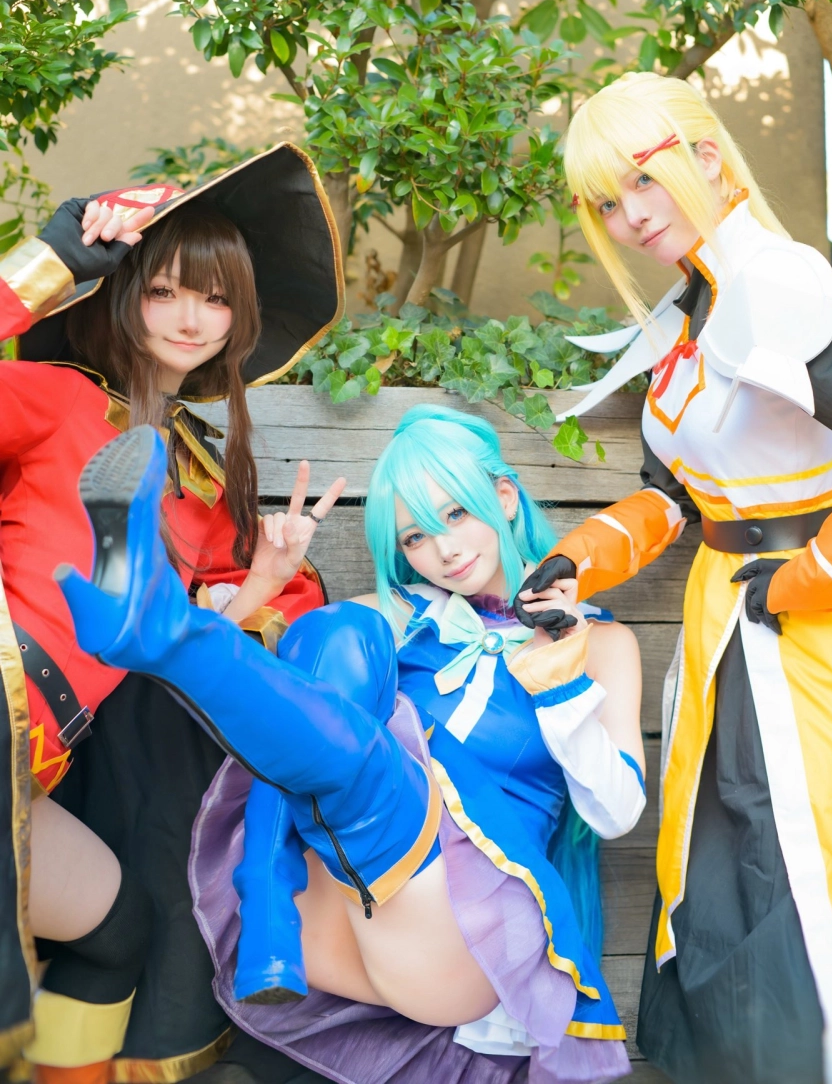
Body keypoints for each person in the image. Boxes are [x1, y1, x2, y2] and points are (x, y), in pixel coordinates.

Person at [57, 405, 648, 1084]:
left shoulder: (600, 643)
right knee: (336, 631)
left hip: (462, 932)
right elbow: (276, 709)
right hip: (330, 914)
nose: (444, 550)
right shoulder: (398, 619)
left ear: (505, 498)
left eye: (456, 514)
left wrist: (558, 684)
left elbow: (615, 813)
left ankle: (159, 631)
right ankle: (267, 902)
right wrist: (268, 581)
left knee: (376, 760)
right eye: (416, 537)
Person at [512, 71, 832, 1084]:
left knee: (805, 860)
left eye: (641, 181)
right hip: (726, 630)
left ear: (706, 157)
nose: (630, 217)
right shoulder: (692, 306)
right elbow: (673, 495)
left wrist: (808, 578)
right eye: (607, 202)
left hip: (815, 634)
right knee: (717, 858)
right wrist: (580, 555)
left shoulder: (780, 286)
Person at [0, 143, 345, 1084]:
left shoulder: (198, 473)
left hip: (40, 764)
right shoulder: (58, 400)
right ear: (123, 297)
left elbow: (192, 634)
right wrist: (48, 262)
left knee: (117, 932)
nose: (192, 318)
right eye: (163, 291)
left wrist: (266, 578)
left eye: (216, 298)